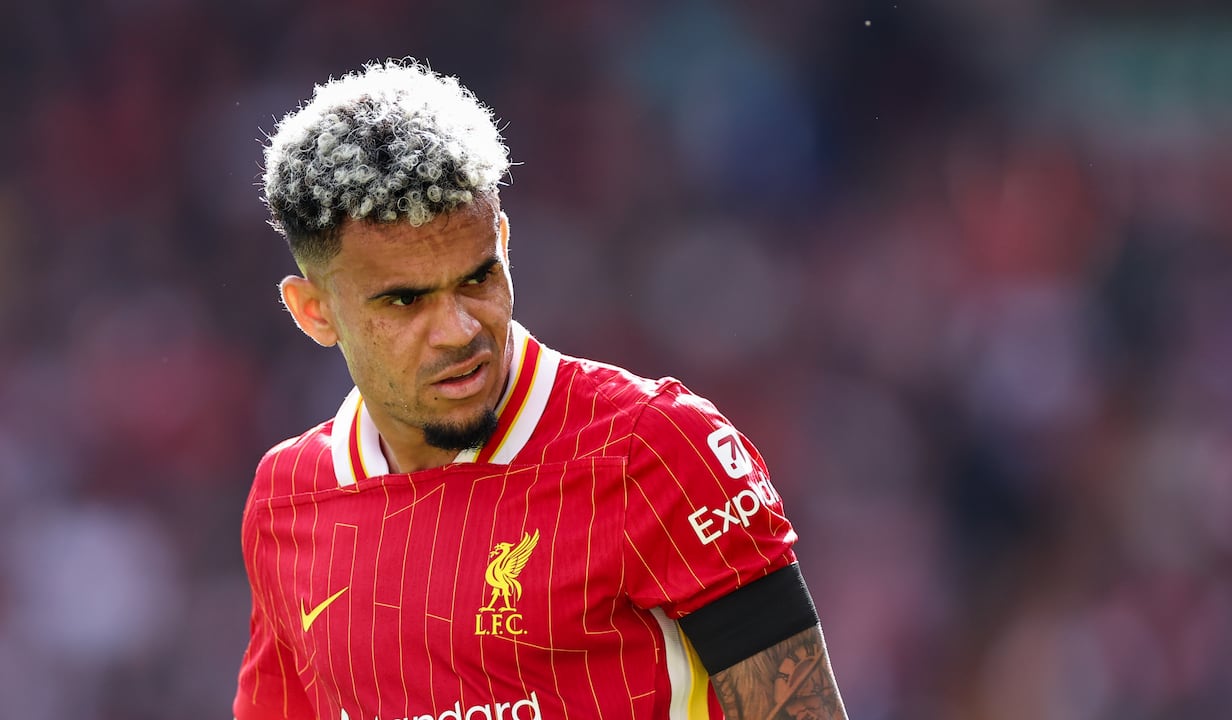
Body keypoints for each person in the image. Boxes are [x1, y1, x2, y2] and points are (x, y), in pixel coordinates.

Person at [234, 57, 848, 720]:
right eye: (405, 302)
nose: (458, 330)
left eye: (476, 278)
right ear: (313, 311)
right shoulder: (288, 499)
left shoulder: (656, 449)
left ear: (501, 239)